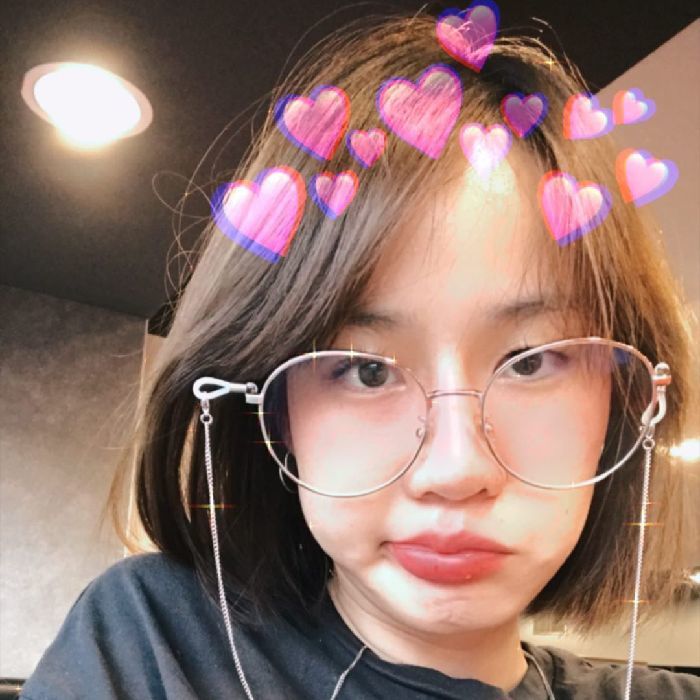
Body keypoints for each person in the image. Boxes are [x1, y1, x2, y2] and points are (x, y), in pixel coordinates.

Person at [19, 7, 700, 700]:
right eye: (366, 370)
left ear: (624, 401)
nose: (456, 470)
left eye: (529, 361)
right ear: (276, 413)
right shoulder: (157, 647)